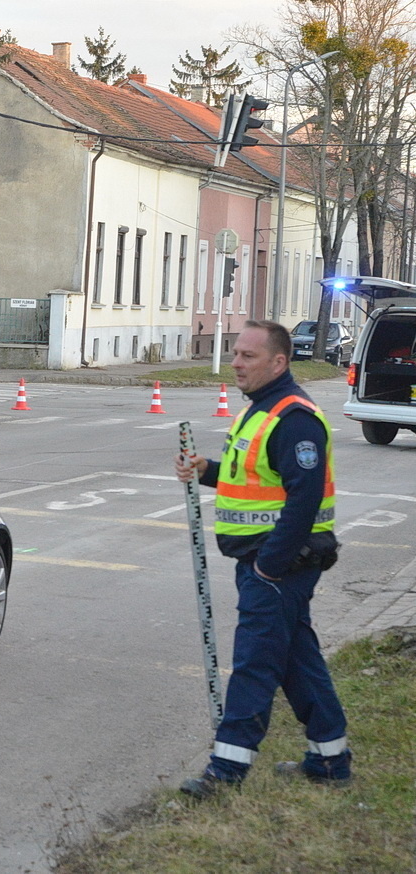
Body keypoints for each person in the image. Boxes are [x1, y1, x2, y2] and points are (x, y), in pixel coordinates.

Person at [174, 319, 350, 799]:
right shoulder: (260, 411)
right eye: (234, 353)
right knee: (297, 659)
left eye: (247, 356)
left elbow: (303, 498)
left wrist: (269, 566)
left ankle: (225, 773)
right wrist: (206, 469)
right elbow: (252, 482)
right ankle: (330, 760)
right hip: (268, 563)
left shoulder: (294, 417)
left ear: (279, 362)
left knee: (254, 664)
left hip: (278, 565)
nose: (235, 363)